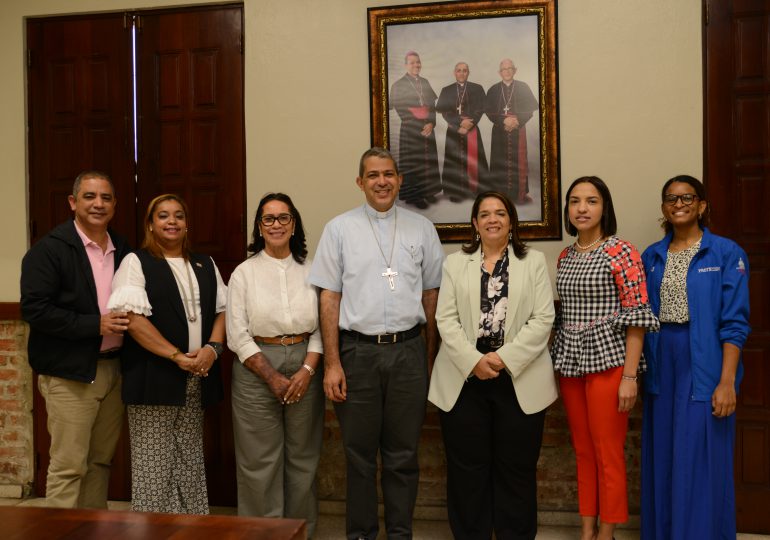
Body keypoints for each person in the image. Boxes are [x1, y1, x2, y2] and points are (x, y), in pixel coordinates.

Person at [309, 147, 444, 540]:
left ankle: (400, 534)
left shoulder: (422, 229)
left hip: (408, 352)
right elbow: (329, 298)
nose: (382, 181)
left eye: (388, 174)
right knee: (360, 456)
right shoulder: (339, 229)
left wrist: (430, 358)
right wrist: (332, 363)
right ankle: (362, 535)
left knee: (403, 456)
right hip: (357, 353)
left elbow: (432, 296)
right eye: (372, 175)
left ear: (400, 179)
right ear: (360, 182)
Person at [428, 191, 557, 539]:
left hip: (519, 376)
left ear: (511, 221)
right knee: (467, 469)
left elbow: (544, 319)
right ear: (474, 223)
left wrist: (503, 359)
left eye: (500, 212)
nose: (492, 219)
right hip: (464, 378)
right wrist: (474, 361)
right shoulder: (455, 263)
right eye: (484, 214)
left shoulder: (533, 262)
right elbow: (446, 319)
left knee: (516, 468)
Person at [640, 175, 750, 540]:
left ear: (702, 205)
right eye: (671, 198)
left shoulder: (725, 253)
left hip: (705, 363)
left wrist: (726, 381)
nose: (679, 203)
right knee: (665, 457)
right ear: (663, 209)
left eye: (688, 197)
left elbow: (735, 323)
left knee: (702, 457)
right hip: (661, 363)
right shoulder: (651, 256)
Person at [550, 176, 659, 540]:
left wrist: (630, 377)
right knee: (582, 450)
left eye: (591, 201)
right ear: (567, 209)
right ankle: (587, 530)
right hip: (570, 361)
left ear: (604, 208)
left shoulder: (621, 251)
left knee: (608, 451)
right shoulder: (566, 255)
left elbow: (638, 315)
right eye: (575, 201)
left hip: (610, 362)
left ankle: (607, 532)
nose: (582, 208)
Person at [107, 194, 226, 514]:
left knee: (189, 458)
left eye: (178, 215)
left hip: (198, 373)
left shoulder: (205, 263)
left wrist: (212, 351)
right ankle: (151, 531)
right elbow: (131, 319)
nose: (172, 221)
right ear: (150, 224)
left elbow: (223, 311)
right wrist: (177, 356)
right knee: (154, 463)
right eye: (163, 216)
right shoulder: (136, 261)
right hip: (154, 374)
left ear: (187, 224)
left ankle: (192, 528)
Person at [20, 171, 130, 509]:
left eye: (106, 197)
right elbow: (35, 311)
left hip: (114, 372)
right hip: (71, 375)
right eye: (89, 196)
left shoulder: (124, 249)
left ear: (114, 204)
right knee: (69, 467)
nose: (98, 204)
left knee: (99, 464)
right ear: (73, 202)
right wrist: (93, 325)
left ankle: (91, 531)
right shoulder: (48, 251)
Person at [226, 193, 324, 536]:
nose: (277, 224)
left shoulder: (313, 271)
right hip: (255, 368)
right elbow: (236, 334)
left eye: (284, 218)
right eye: (269, 219)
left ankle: (300, 532)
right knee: (259, 462)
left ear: (294, 224)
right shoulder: (243, 273)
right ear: (259, 226)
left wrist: (307, 371)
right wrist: (270, 376)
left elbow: (323, 327)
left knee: (303, 459)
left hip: (305, 364)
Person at [389, 51, 441, 209]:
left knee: (428, 160)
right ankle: (414, 196)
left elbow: (432, 107)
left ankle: (428, 191)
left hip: (427, 127)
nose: (416, 65)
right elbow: (399, 108)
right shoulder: (398, 84)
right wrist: (417, 122)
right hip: (411, 129)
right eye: (412, 63)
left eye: (418, 62)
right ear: (406, 65)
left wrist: (431, 123)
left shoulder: (424, 82)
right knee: (413, 162)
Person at [484, 59, 539, 204]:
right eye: (504, 69)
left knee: (519, 162)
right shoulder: (494, 89)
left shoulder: (523, 87)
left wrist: (517, 121)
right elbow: (488, 111)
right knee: (499, 161)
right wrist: (504, 121)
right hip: (499, 131)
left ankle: (519, 193)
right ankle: (499, 194)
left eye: (510, 68)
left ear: (515, 70)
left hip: (518, 130)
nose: (507, 71)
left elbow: (530, 110)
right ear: (499, 72)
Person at [435, 62, 489, 203]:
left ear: (468, 72)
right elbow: (444, 111)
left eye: (465, 70)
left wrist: (470, 123)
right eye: (459, 70)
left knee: (474, 160)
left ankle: (474, 189)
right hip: (454, 129)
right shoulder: (446, 90)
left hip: (472, 129)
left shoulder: (477, 88)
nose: (462, 73)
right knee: (454, 160)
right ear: (454, 72)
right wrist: (458, 123)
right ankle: (455, 191)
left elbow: (481, 109)